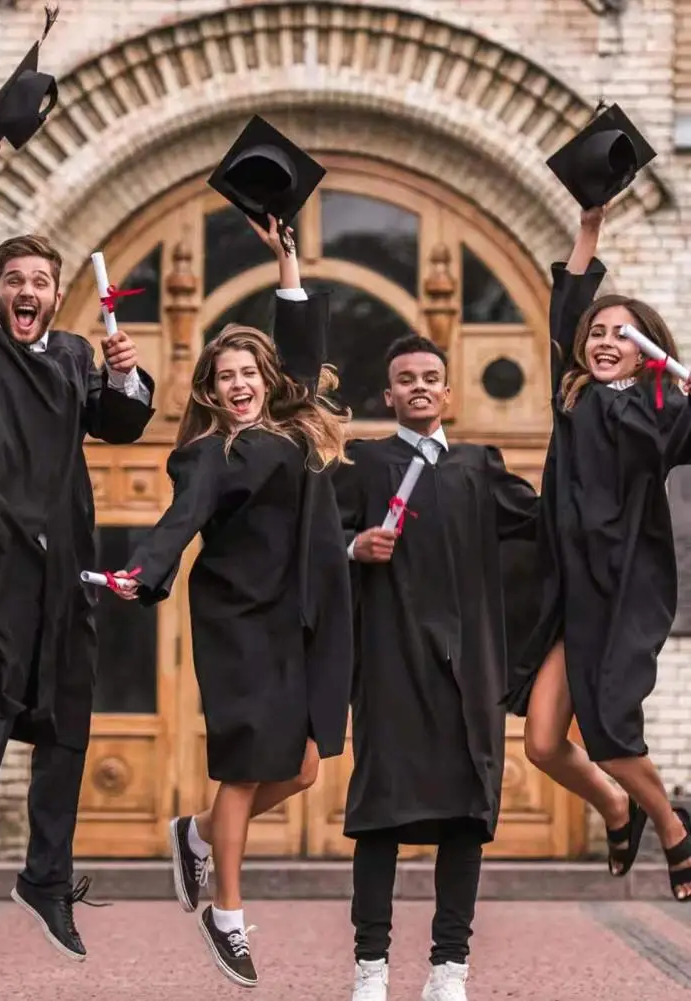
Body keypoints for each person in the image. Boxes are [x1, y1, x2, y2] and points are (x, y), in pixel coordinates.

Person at [0, 134, 156, 983]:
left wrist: (129, 378)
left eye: (39, 282)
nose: (26, 291)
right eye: (13, 280)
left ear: (57, 298)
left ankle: (44, 879)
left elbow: (122, 424)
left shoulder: (71, 355)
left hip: (66, 575)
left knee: (67, 734)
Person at [107, 214, 353, 989]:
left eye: (247, 372)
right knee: (246, 766)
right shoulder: (207, 454)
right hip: (239, 623)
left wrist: (287, 265)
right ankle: (227, 916)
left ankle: (200, 834)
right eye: (224, 378)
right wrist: (139, 571)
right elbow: (177, 522)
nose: (237, 385)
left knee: (308, 766)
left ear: (264, 379)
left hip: (302, 617)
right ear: (209, 391)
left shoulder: (293, 430)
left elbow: (302, 351)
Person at [332, 334, 539, 1001]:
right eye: (404, 378)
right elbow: (306, 544)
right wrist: (351, 545)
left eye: (430, 377)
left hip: (467, 669)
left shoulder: (479, 466)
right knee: (380, 814)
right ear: (387, 394)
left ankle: (448, 967)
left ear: (447, 392)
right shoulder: (363, 466)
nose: (418, 386)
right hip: (391, 665)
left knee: (464, 815)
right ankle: (371, 966)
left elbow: (550, 529)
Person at [506, 206, 691, 903]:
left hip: (623, 588)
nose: (604, 338)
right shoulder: (572, 394)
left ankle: (674, 830)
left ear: (649, 349)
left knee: (612, 732)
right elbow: (571, 302)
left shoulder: (662, 408)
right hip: (567, 589)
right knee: (544, 744)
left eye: (622, 333)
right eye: (597, 331)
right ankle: (618, 808)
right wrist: (587, 230)